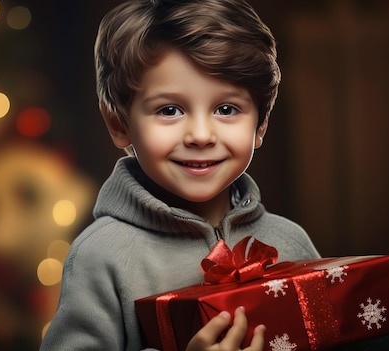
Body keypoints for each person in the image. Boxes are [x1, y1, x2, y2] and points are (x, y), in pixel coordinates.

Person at [40, 0, 320, 350]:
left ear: (260, 124)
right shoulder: (100, 257)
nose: (201, 135)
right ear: (118, 124)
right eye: (169, 110)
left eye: (226, 109)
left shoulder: (291, 242)